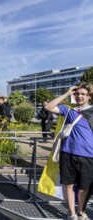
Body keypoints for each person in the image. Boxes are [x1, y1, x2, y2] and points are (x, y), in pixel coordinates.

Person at [44, 82, 93, 220]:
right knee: (69, 185)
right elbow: (49, 107)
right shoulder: (69, 110)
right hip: (68, 154)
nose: (79, 96)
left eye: (83, 94)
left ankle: (81, 211)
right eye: (77, 94)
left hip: (88, 155)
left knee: (85, 187)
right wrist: (67, 93)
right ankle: (72, 213)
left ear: (89, 96)